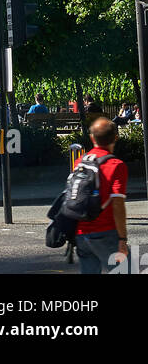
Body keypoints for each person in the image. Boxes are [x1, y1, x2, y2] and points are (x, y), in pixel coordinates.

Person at [74, 118, 129, 275]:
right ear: (115, 138)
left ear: (92, 138)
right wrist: (122, 239)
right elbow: (117, 204)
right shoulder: (116, 165)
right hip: (105, 231)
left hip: (81, 232)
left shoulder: (80, 162)